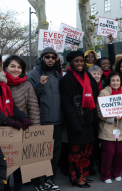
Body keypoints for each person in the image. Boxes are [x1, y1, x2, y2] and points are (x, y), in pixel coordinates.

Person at [60, 50, 99, 188]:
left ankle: (82, 174)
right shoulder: (66, 79)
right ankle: (76, 177)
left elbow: (95, 93)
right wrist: (75, 124)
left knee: (87, 149)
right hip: (76, 121)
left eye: (81, 61)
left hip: (89, 119)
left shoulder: (87, 75)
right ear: (71, 63)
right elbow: (66, 104)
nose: (80, 63)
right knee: (76, 151)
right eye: (76, 61)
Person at [3, 55, 41, 191]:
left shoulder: (27, 84)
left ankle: (18, 188)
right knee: (3, 164)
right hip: (2, 130)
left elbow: (33, 108)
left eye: (19, 67)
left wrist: (35, 131)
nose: (16, 69)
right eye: (12, 66)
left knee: (18, 164)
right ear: (5, 67)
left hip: (22, 129)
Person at [27, 47, 62, 191]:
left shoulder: (58, 75)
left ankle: (49, 179)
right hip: (40, 121)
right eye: (47, 57)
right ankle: (38, 182)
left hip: (58, 121)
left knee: (54, 154)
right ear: (42, 58)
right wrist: (39, 84)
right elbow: (29, 97)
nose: (50, 59)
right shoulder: (33, 74)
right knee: (39, 154)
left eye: (53, 57)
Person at [97, 72, 122, 184]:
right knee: (109, 152)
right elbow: (99, 112)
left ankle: (116, 172)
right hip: (108, 128)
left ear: (120, 81)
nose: (115, 82)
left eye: (117, 80)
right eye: (113, 80)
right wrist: (112, 117)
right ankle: (105, 174)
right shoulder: (103, 93)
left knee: (121, 152)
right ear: (109, 81)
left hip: (121, 127)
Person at [87, 64, 103, 175]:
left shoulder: (104, 86)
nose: (96, 76)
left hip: (102, 119)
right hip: (91, 118)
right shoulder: (87, 86)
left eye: (98, 74)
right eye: (94, 74)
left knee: (98, 143)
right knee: (91, 143)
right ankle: (90, 166)